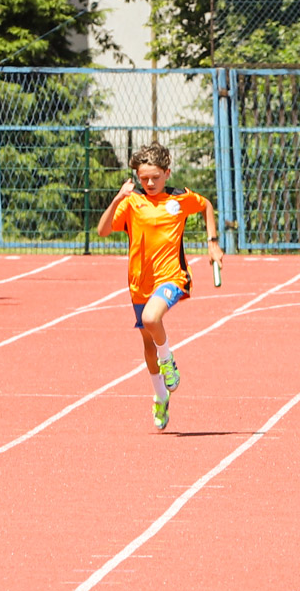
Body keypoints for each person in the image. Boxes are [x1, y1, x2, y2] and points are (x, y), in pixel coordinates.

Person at [95, 143, 224, 431]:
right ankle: (161, 396)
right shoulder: (131, 202)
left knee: (152, 318)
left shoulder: (179, 199)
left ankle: (169, 361)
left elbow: (206, 206)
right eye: (144, 178)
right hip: (139, 282)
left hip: (172, 276)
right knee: (146, 342)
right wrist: (117, 199)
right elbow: (103, 230)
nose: (150, 183)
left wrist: (212, 244)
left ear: (167, 173)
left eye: (155, 177)